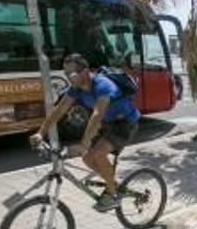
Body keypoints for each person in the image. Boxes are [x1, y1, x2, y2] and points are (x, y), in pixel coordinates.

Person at [30, 54, 140, 211]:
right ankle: (112, 183)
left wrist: (84, 143)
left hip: (126, 123)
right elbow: (59, 110)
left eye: (72, 74)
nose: (69, 78)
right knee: (87, 158)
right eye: (66, 74)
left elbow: (97, 114)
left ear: (85, 72)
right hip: (108, 123)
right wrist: (40, 133)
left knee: (98, 154)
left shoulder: (102, 85)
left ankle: (113, 194)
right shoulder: (76, 89)